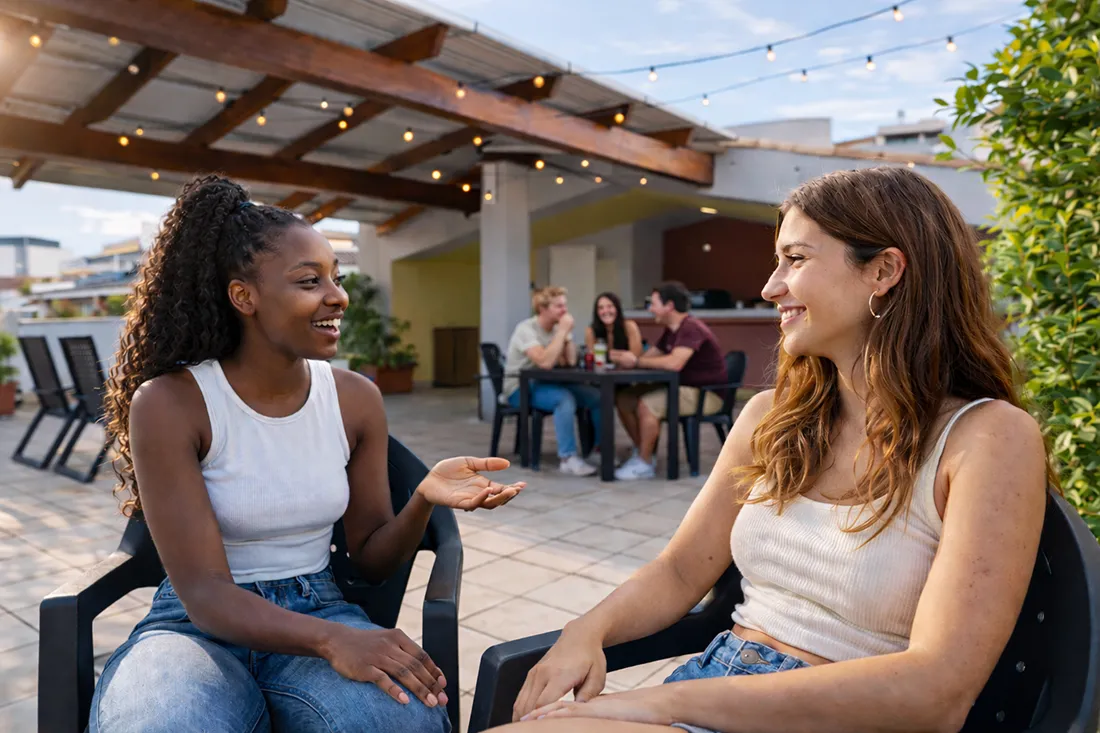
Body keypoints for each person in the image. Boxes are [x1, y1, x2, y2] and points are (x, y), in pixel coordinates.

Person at [500, 167, 1052, 733]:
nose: (770, 287)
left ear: (884, 271)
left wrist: (660, 704)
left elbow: (935, 692)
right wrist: (586, 630)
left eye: (796, 259)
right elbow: (680, 570)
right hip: (714, 682)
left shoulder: (987, 438)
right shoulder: (772, 417)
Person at [92, 175, 525, 733]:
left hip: (318, 602)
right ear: (243, 296)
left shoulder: (355, 399)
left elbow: (371, 560)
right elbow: (204, 593)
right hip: (194, 627)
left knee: (401, 722)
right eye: (309, 281)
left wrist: (421, 499)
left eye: (336, 278)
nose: (337, 296)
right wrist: (330, 640)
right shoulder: (171, 403)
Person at [613, 282, 728, 480]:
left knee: (648, 404)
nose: (650, 309)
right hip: (681, 389)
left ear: (669, 306)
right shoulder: (671, 330)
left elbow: (674, 363)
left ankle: (644, 464)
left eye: (653, 304)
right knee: (625, 398)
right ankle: (644, 451)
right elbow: (649, 357)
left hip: (706, 394)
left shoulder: (691, 328)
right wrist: (628, 359)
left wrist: (637, 361)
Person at [503, 286, 600, 476]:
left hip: (547, 383)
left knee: (596, 396)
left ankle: (599, 449)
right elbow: (545, 362)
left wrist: (566, 335)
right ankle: (567, 458)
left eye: (565, 305)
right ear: (543, 309)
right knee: (563, 399)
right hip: (519, 388)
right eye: (559, 306)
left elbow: (570, 361)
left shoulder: (557, 329)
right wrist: (562, 331)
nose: (564, 310)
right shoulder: (526, 329)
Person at [584, 291, 643, 365]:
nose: (605, 311)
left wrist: (611, 355)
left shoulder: (629, 326)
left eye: (610, 306)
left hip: (628, 370)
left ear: (617, 309)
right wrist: (620, 356)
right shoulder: (591, 330)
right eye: (601, 308)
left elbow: (635, 357)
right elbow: (593, 357)